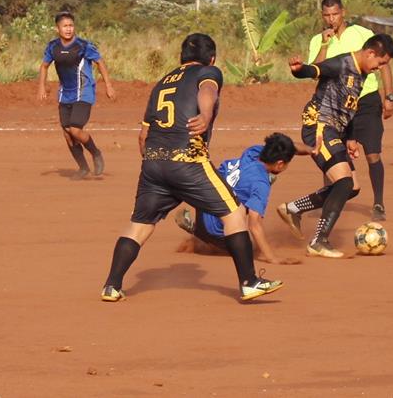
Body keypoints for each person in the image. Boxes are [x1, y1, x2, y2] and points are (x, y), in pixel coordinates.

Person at [100, 33, 282, 303]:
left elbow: (142, 136)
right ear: (212, 58)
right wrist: (206, 115)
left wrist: (155, 167)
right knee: (233, 213)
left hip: (153, 163)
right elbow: (207, 90)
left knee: (139, 225)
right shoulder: (209, 71)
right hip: (188, 159)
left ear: (180, 58)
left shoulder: (162, 83)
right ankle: (249, 282)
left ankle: (111, 286)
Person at [278, 34, 393, 258]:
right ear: (370, 53)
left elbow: (348, 107)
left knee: (351, 188)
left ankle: (294, 208)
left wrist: (350, 137)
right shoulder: (341, 63)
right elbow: (314, 71)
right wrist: (298, 69)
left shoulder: (362, 72)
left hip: (336, 130)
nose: (380, 68)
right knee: (343, 182)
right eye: (381, 63)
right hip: (318, 127)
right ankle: (318, 241)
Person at [305, 0, 393, 221]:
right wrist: (325, 43)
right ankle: (329, 201)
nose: (331, 19)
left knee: (373, 153)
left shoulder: (363, 34)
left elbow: (383, 65)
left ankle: (378, 203)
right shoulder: (319, 39)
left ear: (343, 12)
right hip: (336, 106)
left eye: (334, 14)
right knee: (334, 155)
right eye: (326, 15)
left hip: (365, 100)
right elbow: (314, 69)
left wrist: (389, 96)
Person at [174, 133, 314, 265]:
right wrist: (272, 257)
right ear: (280, 164)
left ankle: (202, 228)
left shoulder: (252, 152)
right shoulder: (260, 184)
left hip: (203, 206)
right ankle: (199, 232)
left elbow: (291, 147)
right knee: (248, 248)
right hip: (214, 229)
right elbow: (255, 225)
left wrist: (311, 150)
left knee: (235, 192)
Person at [37, 11, 116, 180]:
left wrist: (108, 85)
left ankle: (95, 153)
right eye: (65, 26)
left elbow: (99, 61)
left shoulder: (83, 45)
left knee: (75, 129)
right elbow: (44, 66)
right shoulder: (53, 47)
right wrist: (42, 87)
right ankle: (83, 168)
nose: (68, 29)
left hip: (84, 92)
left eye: (71, 25)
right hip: (65, 94)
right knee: (67, 133)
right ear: (57, 28)